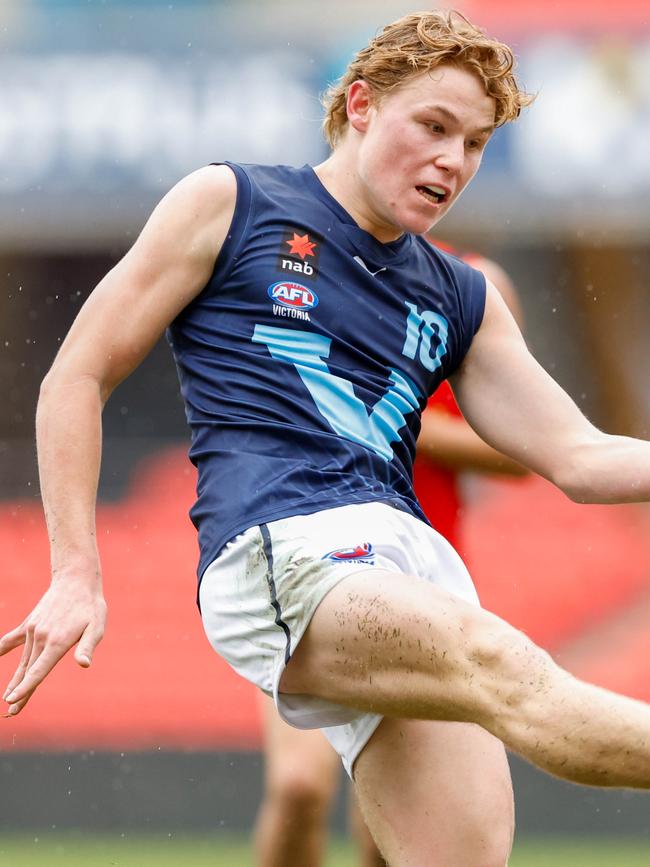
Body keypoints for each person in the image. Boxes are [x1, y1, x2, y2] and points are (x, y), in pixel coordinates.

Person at [2, 10, 650, 866]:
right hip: (289, 546)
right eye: (434, 126)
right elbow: (75, 376)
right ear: (362, 105)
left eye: (477, 143)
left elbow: (579, 457)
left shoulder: (464, 295)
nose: (453, 161)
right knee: (504, 668)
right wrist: (76, 572)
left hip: (412, 560)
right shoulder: (231, 203)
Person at [254, 250, 527, 867]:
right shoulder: (291, 272)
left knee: (394, 827)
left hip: (418, 572)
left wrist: (374, 413)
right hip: (306, 563)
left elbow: (515, 450)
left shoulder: (474, 285)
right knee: (298, 786)